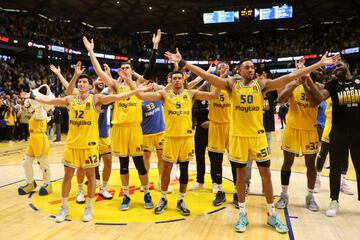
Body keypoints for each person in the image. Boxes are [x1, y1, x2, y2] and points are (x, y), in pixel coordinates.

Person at [164, 48, 339, 233]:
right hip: (238, 137)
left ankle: (272, 214)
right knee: (239, 177)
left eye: (252, 67)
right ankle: (242, 213)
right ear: (239, 70)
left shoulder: (261, 85)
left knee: (266, 175)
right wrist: (182, 62)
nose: (251, 70)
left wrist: (318, 64)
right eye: (247, 67)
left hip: (258, 136)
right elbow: (206, 76)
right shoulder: (231, 84)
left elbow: (290, 76)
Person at [23, 73, 150, 223]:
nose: (81, 84)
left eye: (85, 82)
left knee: (91, 177)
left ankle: (89, 207)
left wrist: (136, 91)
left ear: (90, 86)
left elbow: (118, 97)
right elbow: (50, 100)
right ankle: (64, 207)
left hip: (89, 146)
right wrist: (32, 95)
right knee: (67, 177)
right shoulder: (70, 100)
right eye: (80, 82)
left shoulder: (96, 99)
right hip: (72, 145)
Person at [121, 69, 219, 216]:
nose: (178, 80)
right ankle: (163, 198)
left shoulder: (190, 93)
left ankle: (181, 200)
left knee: (184, 171)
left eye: (180, 78)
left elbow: (213, 95)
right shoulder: (164, 95)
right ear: (171, 81)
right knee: (166, 170)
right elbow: (140, 95)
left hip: (186, 139)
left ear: (183, 79)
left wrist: (218, 79)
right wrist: (129, 80)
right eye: (175, 78)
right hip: (170, 138)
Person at [83, 34, 157, 211]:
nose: (124, 69)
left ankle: (146, 192)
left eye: (127, 68)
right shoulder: (116, 86)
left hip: (134, 129)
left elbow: (149, 70)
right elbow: (100, 72)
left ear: (131, 71)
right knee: (123, 165)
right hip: (119, 130)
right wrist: (91, 52)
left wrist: (155, 47)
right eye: (122, 67)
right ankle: (126, 195)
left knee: (140, 165)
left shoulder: (138, 84)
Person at [309, 59, 360, 217]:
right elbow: (318, 98)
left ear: (348, 66)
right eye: (334, 66)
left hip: (358, 133)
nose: (336, 68)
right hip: (338, 133)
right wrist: (308, 80)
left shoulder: (358, 82)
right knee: (335, 169)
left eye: (339, 65)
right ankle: (334, 200)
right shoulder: (333, 84)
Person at [275, 59, 322, 212]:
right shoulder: (292, 84)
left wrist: (306, 80)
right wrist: (294, 84)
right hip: (292, 129)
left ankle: (310, 196)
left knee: (310, 165)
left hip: (309, 130)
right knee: (287, 162)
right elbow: (280, 100)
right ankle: (284, 194)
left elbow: (316, 102)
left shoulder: (319, 86)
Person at [314, 97, 353, 195]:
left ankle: (342, 182)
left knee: (344, 156)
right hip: (329, 127)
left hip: (344, 129)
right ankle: (317, 179)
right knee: (322, 154)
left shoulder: (347, 94)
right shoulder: (329, 92)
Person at [17, 96, 52, 196]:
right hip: (32, 139)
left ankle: (47, 183)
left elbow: (39, 110)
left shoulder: (41, 112)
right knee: (26, 162)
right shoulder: (33, 114)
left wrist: (33, 96)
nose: (27, 106)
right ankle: (30, 182)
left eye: (28, 103)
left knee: (43, 163)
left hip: (40, 139)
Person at [245, 89, 277, 194]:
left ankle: (265, 186)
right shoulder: (249, 91)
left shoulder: (271, 91)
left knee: (265, 163)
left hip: (266, 131)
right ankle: (246, 184)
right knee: (247, 163)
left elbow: (281, 98)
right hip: (250, 131)